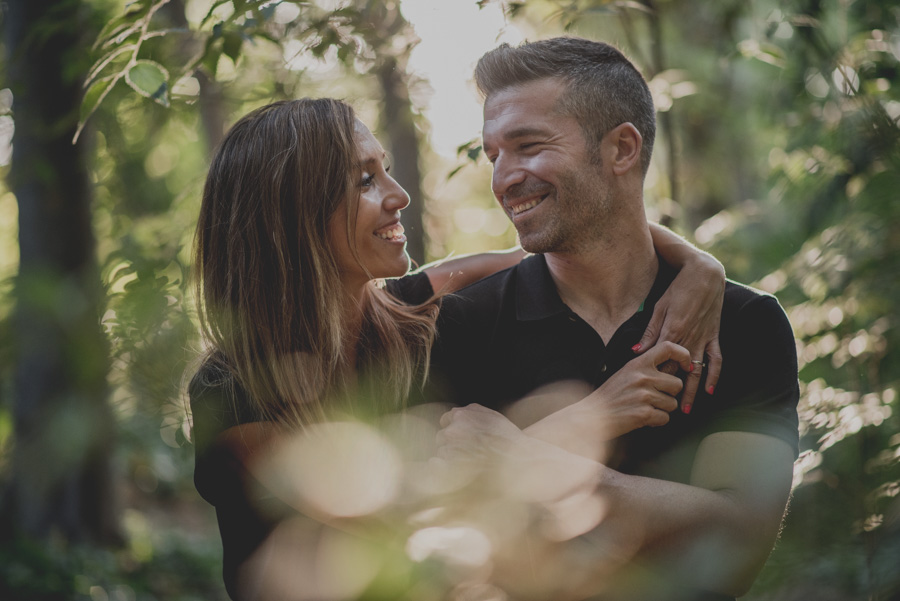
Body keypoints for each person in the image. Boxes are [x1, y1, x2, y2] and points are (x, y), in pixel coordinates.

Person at [189, 97, 727, 599]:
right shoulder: (233, 390)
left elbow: (573, 243)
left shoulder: (410, 308)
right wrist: (594, 416)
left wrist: (700, 267)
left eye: (385, 171)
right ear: (292, 214)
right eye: (364, 181)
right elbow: (407, 525)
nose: (398, 196)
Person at [429, 37, 800, 601]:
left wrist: (526, 460)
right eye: (493, 155)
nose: (503, 179)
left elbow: (740, 535)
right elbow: (440, 537)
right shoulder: (460, 327)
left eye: (527, 146)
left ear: (622, 149)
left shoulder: (746, 324)